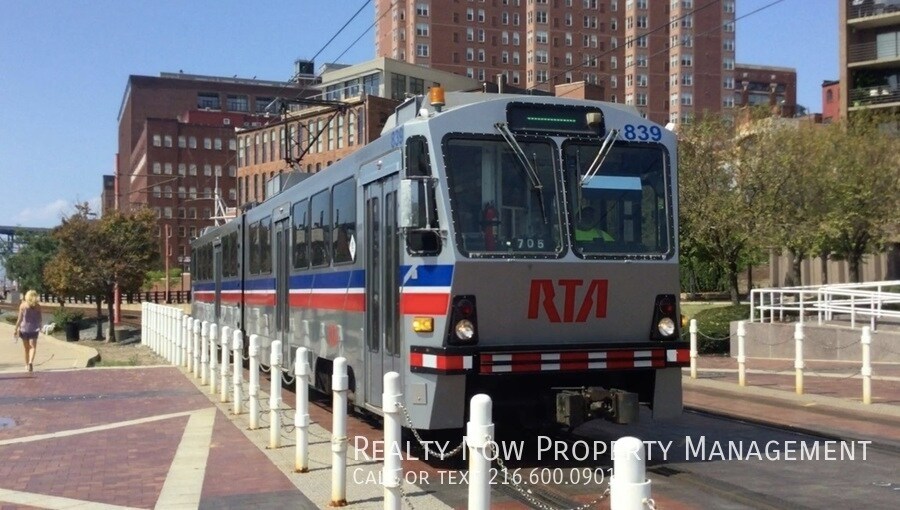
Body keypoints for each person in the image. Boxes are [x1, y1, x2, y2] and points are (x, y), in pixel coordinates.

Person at [14, 290, 42, 372]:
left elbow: (19, 319)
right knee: (32, 347)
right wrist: (40, 326)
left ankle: (26, 365)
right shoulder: (38, 306)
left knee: (26, 348)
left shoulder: (23, 306)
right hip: (34, 329)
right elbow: (40, 318)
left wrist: (16, 328)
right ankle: (30, 362)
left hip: (24, 329)